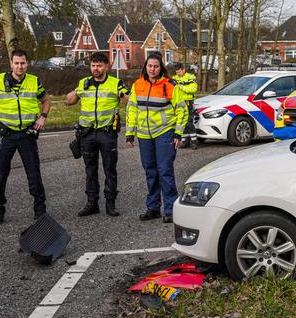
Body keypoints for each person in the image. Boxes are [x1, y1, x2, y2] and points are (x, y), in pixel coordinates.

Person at [0, 49, 50, 225]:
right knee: (0, 175)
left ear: (27, 63)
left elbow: (46, 100)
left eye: (23, 63)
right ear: (11, 64)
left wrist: (43, 116)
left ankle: (40, 210)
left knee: (34, 174)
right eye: (16, 63)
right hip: (5, 135)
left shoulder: (34, 81)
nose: (20, 66)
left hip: (27, 134)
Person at [126, 52, 188, 224]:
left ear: (161, 68)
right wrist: (129, 133)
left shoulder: (170, 85)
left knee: (165, 170)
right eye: (149, 66)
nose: (152, 69)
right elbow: (131, 109)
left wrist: (178, 133)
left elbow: (182, 110)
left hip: (164, 132)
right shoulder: (137, 85)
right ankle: (153, 208)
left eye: (156, 66)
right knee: (150, 171)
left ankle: (170, 209)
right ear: (145, 67)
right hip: (144, 135)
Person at [65, 51, 129, 217]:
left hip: (107, 133)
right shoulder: (84, 82)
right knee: (90, 169)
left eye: (99, 66)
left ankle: (110, 203)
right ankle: (92, 203)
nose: (95, 69)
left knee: (109, 168)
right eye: (93, 65)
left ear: (106, 66)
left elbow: (129, 100)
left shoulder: (115, 83)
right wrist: (77, 91)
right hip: (87, 133)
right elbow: (68, 101)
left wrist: (123, 95)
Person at [170, 62, 199, 149]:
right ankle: (185, 141)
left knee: (189, 122)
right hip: (178, 103)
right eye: (176, 72)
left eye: (179, 71)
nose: (178, 74)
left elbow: (193, 89)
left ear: (183, 70)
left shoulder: (191, 77)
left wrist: (181, 87)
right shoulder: (174, 78)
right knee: (182, 122)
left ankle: (194, 142)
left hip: (188, 102)